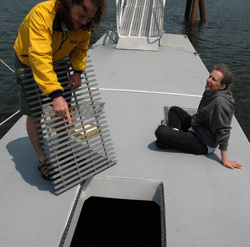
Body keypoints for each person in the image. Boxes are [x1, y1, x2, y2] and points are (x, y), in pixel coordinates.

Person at [14, 0, 108, 179]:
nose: (84, 22)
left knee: (64, 110)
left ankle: (64, 151)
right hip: (28, 62)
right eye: (81, 15)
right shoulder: (41, 15)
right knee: (34, 112)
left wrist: (78, 70)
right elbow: (39, 57)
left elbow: (80, 46)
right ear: (68, 4)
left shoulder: (86, 23)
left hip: (58, 61)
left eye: (89, 18)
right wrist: (55, 94)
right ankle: (43, 159)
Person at [155, 64, 242, 169]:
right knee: (174, 110)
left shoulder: (220, 104)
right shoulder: (209, 92)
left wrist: (224, 160)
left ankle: (171, 138)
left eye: (213, 79)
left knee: (161, 131)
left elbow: (223, 130)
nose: (208, 80)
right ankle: (174, 136)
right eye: (210, 76)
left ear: (222, 86)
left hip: (202, 142)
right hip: (196, 126)